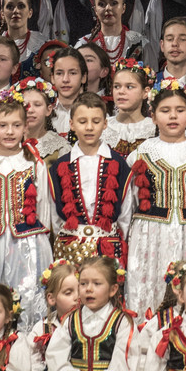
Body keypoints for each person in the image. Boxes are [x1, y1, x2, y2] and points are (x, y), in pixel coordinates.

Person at [123, 87, 186, 316]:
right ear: (153, 116)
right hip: (150, 237)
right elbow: (130, 201)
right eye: (165, 111)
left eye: (180, 110)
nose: (173, 116)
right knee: (152, 290)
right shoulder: (141, 153)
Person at [0, 86, 56, 331]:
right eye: (3, 125)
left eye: (16, 125)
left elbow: (44, 207)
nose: (9, 131)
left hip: (28, 244)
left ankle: (28, 343)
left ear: (25, 127)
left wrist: (39, 239)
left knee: (27, 298)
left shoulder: (33, 163)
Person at [48, 255, 136, 371]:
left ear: (113, 289)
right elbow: (56, 358)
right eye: (83, 283)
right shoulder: (70, 321)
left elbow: (123, 365)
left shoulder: (122, 322)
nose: (89, 289)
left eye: (97, 284)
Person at [51, 93, 131, 266]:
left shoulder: (119, 164)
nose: (89, 127)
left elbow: (126, 212)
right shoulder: (60, 165)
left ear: (105, 124)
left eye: (95, 121)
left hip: (108, 246)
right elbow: (54, 215)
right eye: (82, 121)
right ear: (71, 124)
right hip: (70, 246)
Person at [75, 0, 146, 67]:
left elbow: (151, 72)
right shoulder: (84, 44)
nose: (108, 8)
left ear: (123, 8)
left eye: (114, 3)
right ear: (95, 10)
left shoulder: (138, 41)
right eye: (101, 4)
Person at [103, 61, 154, 158]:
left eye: (129, 87)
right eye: (117, 86)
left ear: (145, 92)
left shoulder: (154, 128)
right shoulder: (103, 127)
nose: (121, 91)